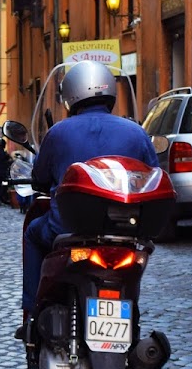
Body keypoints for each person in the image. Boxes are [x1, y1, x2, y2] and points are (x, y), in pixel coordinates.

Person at [19, 60, 158, 337]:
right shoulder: (136, 132)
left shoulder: (58, 133)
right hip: (123, 230)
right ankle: (132, 313)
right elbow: (154, 174)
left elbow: (40, 179)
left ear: (71, 95)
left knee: (33, 235)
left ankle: (31, 314)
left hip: (68, 230)